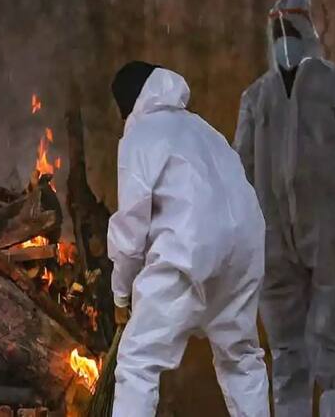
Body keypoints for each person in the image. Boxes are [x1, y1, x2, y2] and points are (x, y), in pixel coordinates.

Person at [234, 0, 335, 417]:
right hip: (272, 238)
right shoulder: (256, 98)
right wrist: (235, 234)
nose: (285, 43)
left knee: (333, 332)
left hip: (327, 228)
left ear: (308, 31)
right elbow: (238, 168)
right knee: (285, 344)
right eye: (277, 34)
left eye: (291, 32)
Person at [108, 62, 270, 417]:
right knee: (241, 359)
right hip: (244, 253)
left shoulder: (140, 136)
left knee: (138, 362)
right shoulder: (203, 129)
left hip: (188, 252)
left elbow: (130, 231)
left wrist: (121, 293)